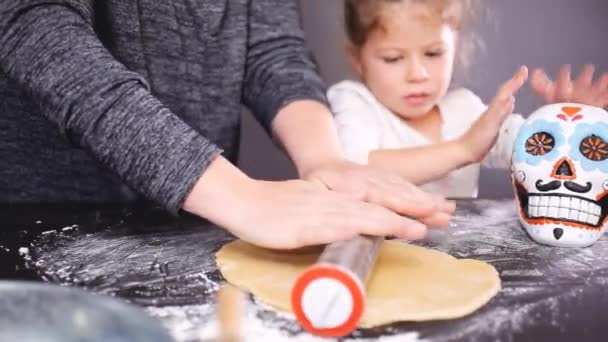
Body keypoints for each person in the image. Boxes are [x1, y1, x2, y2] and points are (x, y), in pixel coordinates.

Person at [0, 0, 454, 250]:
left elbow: (273, 50)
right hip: (46, 224)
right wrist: (237, 195)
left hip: (198, 223)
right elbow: (38, 28)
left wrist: (324, 159)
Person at [330, 0, 608, 198]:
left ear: (455, 46)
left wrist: (564, 123)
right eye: (393, 58)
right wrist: (464, 149)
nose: (418, 74)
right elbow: (355, 169)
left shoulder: (464, 108)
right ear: (357, 58)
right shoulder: (353, 101)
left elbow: (532, 154)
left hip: (453, 263)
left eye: (433, 53)